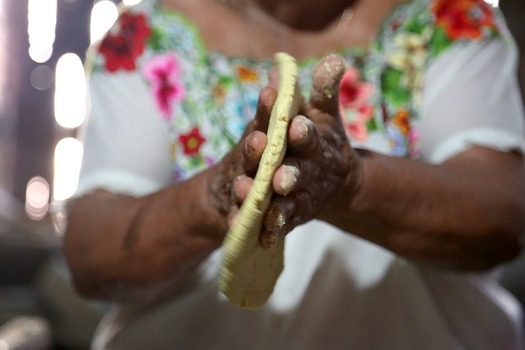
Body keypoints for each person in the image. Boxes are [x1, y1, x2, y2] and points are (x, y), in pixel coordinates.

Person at [63, 0, 525, 348]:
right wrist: (217, 196)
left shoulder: (448, 20)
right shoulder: (146, 36)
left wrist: (350, 183)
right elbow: (94, 256)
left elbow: (503, 214)